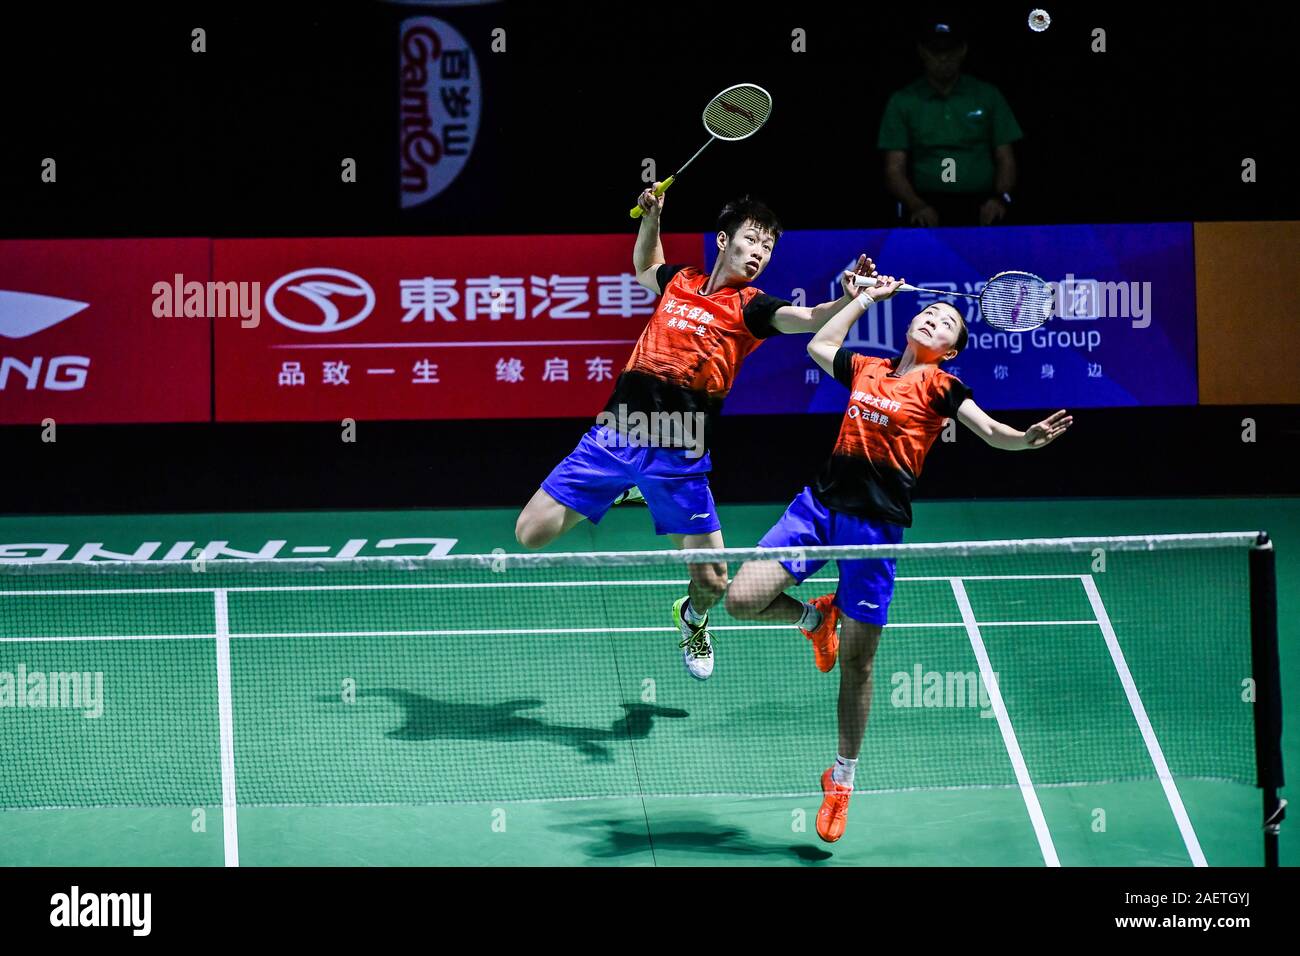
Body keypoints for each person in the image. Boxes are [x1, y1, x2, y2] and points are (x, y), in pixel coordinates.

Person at [725, 274, 1072, 842]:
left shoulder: (942, 386)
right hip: (818, 509)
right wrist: (864, 297)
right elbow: (817, 346)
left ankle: (841, 780)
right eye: (930, 311)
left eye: (946, 321)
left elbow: (989, 431)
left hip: (874, 530)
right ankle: (816, 620)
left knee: (859, 667)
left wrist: (1025, 438)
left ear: (951, 349)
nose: (933, 317)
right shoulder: (867, 367)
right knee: (741, 598)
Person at [515, 184, 878, 681]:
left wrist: (844, 299)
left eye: (769, 248)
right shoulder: (681, 280)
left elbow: (808, 319)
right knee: (530, 533)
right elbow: (646, 267)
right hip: (616, 436)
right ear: (724, 239)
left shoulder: (751, 308)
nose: (760, 254)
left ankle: (692, 617)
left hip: (680, 454)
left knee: (712, 580)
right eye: (753, 240)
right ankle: (629, 488)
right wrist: (651, 218)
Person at [878, 19, 1023, 227]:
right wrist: (916, 205)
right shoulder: (902, 100)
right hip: (924, 201)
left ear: (962, 51)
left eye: (950, 50)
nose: (943, 58)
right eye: (935, 51)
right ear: (922, 52)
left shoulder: (988, 95)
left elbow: (1006, 157)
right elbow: (894, 168)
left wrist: (999, 198)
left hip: (982, 201)